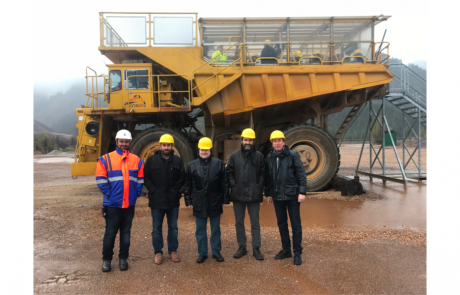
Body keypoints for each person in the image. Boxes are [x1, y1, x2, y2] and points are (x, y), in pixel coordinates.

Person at [96, 129, 144, 272]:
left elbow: (140, 180)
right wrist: (110, 194)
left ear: (130, 142)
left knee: (126, 233)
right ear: (117, 142)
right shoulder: (106, 159)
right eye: (121, 141)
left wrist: (135, 195)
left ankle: (123, 259)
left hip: (129, 204)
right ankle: (106, 260)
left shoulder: (137, 160)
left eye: (126, 141)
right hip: (112, 204)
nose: (124, 144)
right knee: (110, 233)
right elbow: (100, 179)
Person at [184, 137, 229, 263]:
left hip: (215, 200)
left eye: (206, 149)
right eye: (202, 149)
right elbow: (188, 184)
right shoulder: (192, 165)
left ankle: (216, 252)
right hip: (199, 201)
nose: (204, 151)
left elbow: (224, 182)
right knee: (200, 230)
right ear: (199, 150)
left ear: (210, 149)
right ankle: (202, 253)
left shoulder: (218, 163)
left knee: (215, 229)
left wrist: (225, 198)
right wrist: (188, 200)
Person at [264, 130, 307, 266]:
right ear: (272, 143)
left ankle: (297, 252)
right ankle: (286, 250)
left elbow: (301, 174)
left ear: (284, 142)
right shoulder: (270, 157)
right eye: (274, 141)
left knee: (296, 225)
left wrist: (302, 192)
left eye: (279, 140)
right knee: (282, 224)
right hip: (277, 197)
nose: (277, 143)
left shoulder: (292, 155)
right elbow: (268, 178)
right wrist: (268, 194)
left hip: (292, 195)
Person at [143, 134, 185, 265]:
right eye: (164, 145)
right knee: (156, 228)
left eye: (168, 145)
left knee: (173, 227)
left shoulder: (178, 161)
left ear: (172, 146)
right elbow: (146, 177)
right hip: (157, 201)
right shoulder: (151, 160)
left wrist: (175, 191)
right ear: (160, 146)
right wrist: (153, 190)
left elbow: (182, 178)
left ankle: (172, 251)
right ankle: (158, 252)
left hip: (173, 201)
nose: (166, 147)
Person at [226, 128, 266, 260]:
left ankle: (256, 248)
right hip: (238, 194)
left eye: (250, 140)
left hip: (254, 194)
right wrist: (233, 185)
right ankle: (242, 247)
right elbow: (229, 172)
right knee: (239, 222)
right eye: (245, 140)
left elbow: (262, 174)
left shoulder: (259, 156)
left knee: (255, 222)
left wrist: (258, 187)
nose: (247, 142)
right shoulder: (234, 156)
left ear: (253, 141)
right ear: (242, 140)